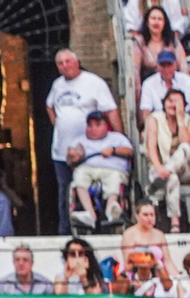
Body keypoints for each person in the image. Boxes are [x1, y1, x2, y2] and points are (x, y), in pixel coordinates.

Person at [46, 50, 121, 234]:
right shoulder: (57, 85)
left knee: (92, 188)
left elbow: (111, 110)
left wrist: (120, 138)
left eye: (68, 61)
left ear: (77, 61)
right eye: (60, 63)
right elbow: (49, 105)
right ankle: (65, 233)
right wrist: (57, 123)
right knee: (65, 193)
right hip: (62, 151)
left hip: (90, 150)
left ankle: (99, 228)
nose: (65, 65)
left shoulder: (94, 82)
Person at [142, 89, 190, 231]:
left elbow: (186, 140)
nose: (173, 104)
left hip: (184, 168)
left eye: (177, 102)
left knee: (185, 147)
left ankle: (160, 180)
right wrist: (159, 168)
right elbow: (151, 147)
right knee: (172, 178)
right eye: (170, 101)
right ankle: (175, 222)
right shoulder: (154, 119)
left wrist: (180, 119)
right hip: (159, 168)